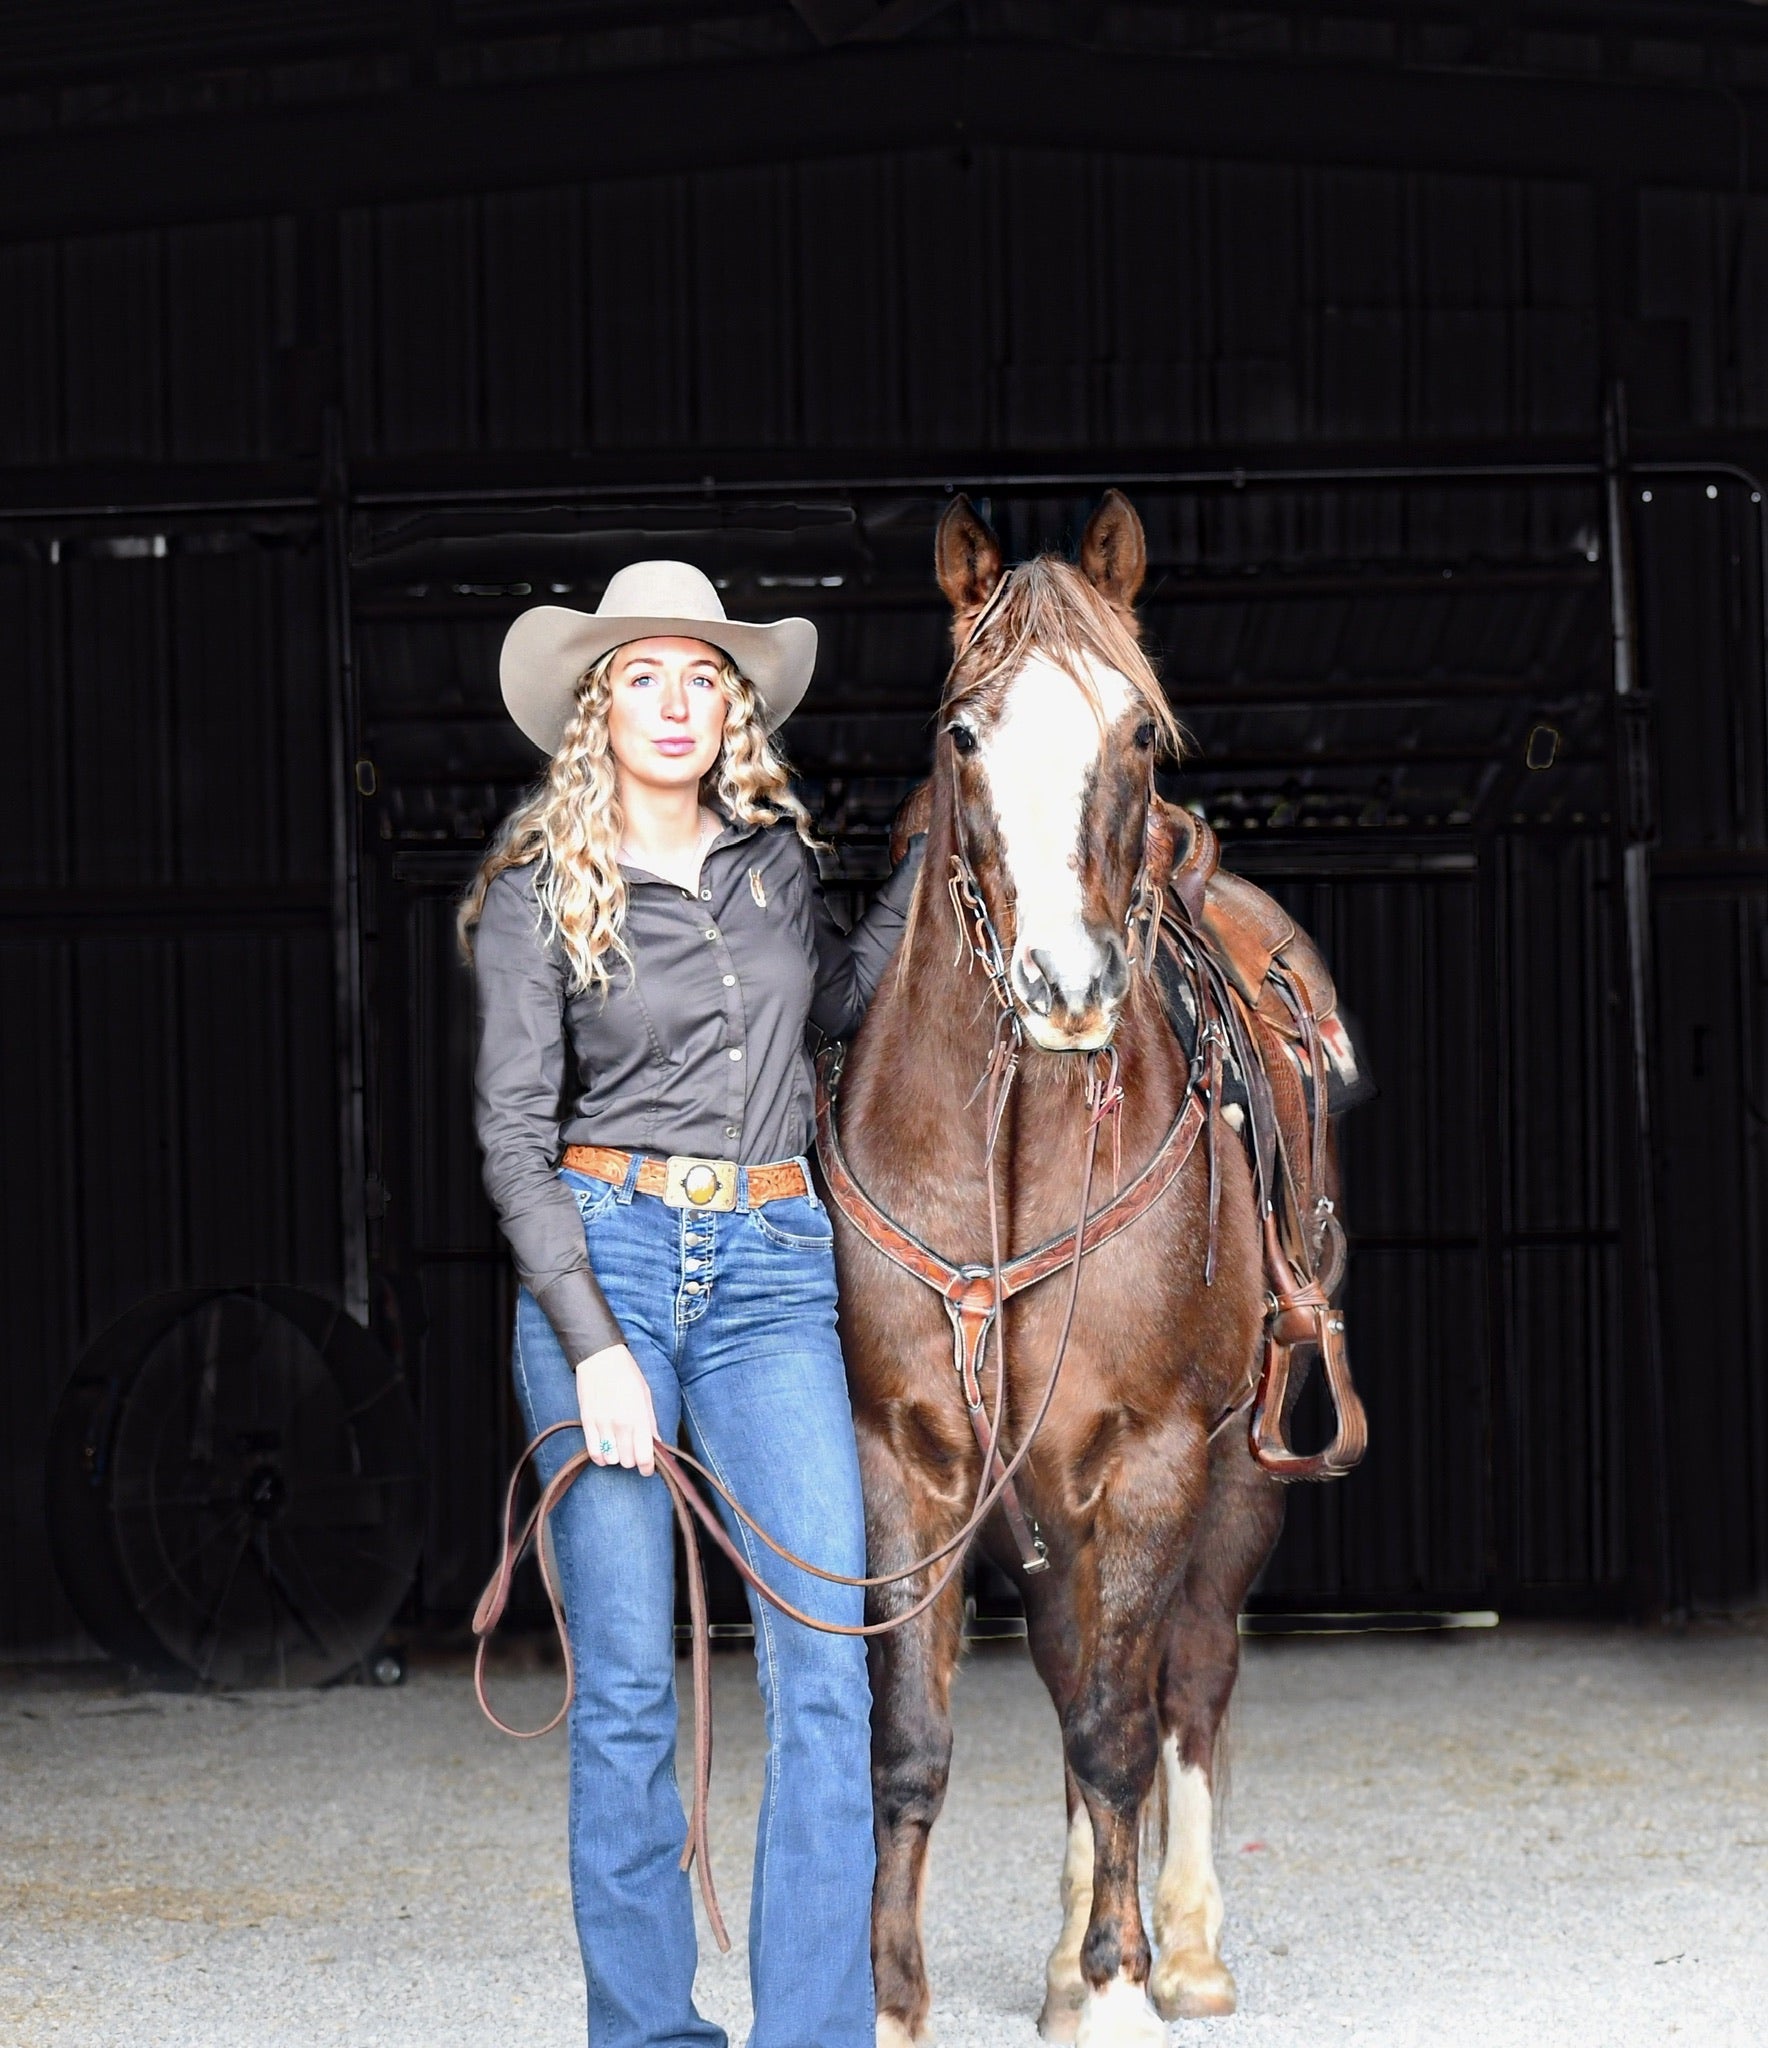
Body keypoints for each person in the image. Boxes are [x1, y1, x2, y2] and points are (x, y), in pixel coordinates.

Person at [460, 560, 922, 2048]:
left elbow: (831, 1015)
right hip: (607, 1261)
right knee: (626, 1701)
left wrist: (936, 856)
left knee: (828, 1673)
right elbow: (513, 1141)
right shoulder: (533, 895)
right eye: (644, 676)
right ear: (601, 708)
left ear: (735, 707)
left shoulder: (779, 862)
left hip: (778, 1269)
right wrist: (592, 1346)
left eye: (701, 675)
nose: (676, 702)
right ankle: (649, 2036)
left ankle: (815, 2035)